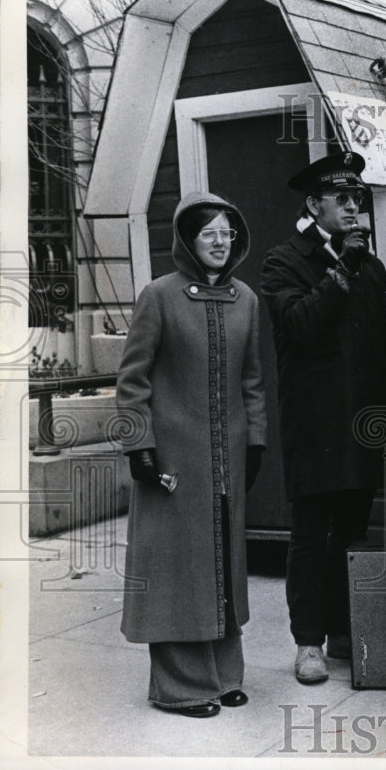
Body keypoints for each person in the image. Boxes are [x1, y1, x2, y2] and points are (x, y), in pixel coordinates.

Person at [260, 150, 386, 685]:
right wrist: (339, 271)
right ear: (313, 206)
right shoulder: (284, 261)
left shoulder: (371, 266)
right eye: (341, 199)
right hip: (313, 428)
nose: (353, 207)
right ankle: (308, 643)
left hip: (361, 425)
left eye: (358, 198)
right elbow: (299, 326)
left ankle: (346, 629)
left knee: (352, 532)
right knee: (310, 537)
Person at [117, 192, 266, 718]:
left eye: (227, 233)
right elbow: (132, 380)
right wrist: (139, 445)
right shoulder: (158, 296)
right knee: (178, 567)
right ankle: (180, 687)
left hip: (226, 459)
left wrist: (256, 441)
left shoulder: (246, 298)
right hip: (173, 460)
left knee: (221, 560)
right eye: (209, 234)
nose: (220, 242)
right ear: (187, 241)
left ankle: (223, 676)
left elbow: (252, 379)